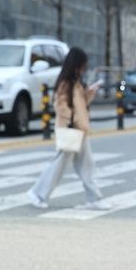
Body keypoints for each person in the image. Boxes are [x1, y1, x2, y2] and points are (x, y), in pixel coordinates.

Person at [28, 46, 111, 211]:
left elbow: (80, 104)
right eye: (82, 65)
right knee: (59, 166)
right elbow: (60, 104)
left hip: (79, 129)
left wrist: (89, 93)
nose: (83, 69)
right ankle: (37, 193)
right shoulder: (66, 83)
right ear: (76, 65)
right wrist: (71, 120)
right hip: (71, 130)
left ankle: (94, 198)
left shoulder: (75, 82)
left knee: (86, 166)